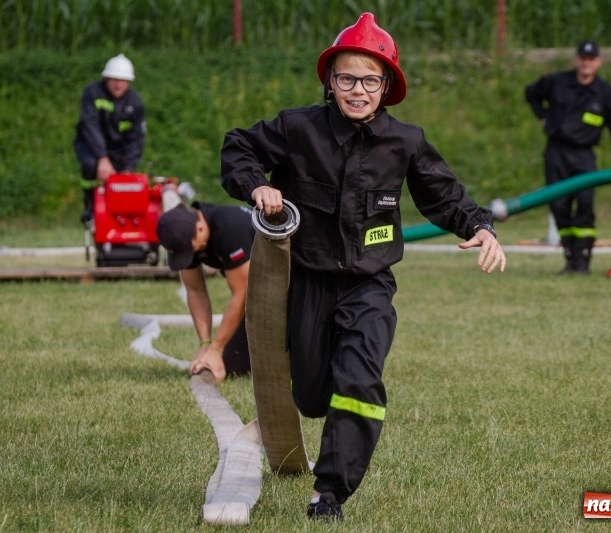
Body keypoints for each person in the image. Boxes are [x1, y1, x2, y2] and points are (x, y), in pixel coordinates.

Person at [219, 12, 505, 521]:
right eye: (347, 78)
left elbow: (445, 196)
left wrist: (481, 227)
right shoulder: (298, 128)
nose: (358, 90)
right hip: (307, 281)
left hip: (369, 284)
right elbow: (239, 145)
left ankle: (329, 492)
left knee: (359, 377)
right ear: (330, 83)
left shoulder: (405, 141)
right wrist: (256, 185)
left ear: (387, 86)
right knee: (312, 397)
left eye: (371, 80)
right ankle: (326, 405)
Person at [525, 40, 611, 274]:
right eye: (583, 58)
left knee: (585, 205)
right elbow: (531, 92)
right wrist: (543, 115)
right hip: (556, 153)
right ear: (576, 60)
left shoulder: (604, 92)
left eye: (591, 59)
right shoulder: (557, 82)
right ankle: (570, 257)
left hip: (584, 156)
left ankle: (583, 260)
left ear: (598, 62)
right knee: (559, 205)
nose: (586, 63)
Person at [156, 202, 254, 379]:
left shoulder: (230, 229)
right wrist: (205, 345)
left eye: (188, 249)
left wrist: (215, 349)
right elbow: (195, 290)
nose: (188, 254)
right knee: (236, 366)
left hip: (288, 287)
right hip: (257, 295)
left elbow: (242, 294)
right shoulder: (187, 234)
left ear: (200, 228)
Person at [73, 54, 146, 223]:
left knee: (123, 179)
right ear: (106, 79)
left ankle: (119, 214)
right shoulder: (92, 93)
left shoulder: (135, 103)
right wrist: (102, 158)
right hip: (90, 145)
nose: (119, 85)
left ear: (129, 82)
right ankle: (90, 207)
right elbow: (90, 125)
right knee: (90, 166)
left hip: (119, 148)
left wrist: (128, 167)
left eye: (123, 81)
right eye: (115, 80)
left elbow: (136, 139)